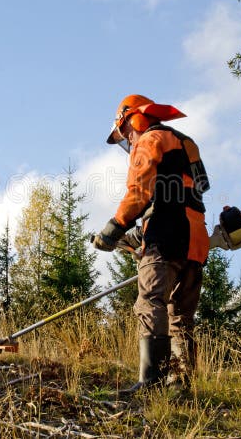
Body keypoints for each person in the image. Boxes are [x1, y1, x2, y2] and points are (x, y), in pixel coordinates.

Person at [92, 94, 211, 392]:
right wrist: (137, 235)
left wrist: (113, 229)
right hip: (196, 239)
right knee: (180, 315)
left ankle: (152, 383)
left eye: (126, 133)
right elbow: (191, 191)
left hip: (166, 235)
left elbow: (139, 192)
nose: (128, 140)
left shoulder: (149, 139)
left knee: (150, 302)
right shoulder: (186, 142)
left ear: (134, 119)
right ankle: (181, 384)